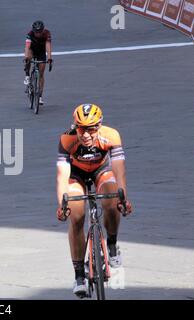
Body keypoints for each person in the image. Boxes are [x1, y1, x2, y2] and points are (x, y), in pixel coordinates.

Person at [55, 104, 133, 298]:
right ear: (75, 126)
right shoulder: (67, 139)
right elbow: (61, 176)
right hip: (77, 174)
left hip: (101, 170)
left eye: (91, 128)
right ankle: (79, 275)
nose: (87, 134)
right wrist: (62, 205)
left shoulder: (111, 136)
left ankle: (112, 244)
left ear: (99, 125)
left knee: (112, 198)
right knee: (76, 214)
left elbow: (119, 169)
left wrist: (123, 197)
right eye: (82, 128)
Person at [24, 20, 52, 105]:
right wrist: (26, 57)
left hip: (41, 52)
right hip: (32, 50)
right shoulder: (30, 34)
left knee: (41, 74)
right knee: (28, 57)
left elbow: (48, 46)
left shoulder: (47, 33)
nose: (38, 34)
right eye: (36, 32)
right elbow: (27, 47)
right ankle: (27, 76)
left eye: (40, 32)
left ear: (43, 30)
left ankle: (40, 96)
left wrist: (50, 57)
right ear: (33, 31)